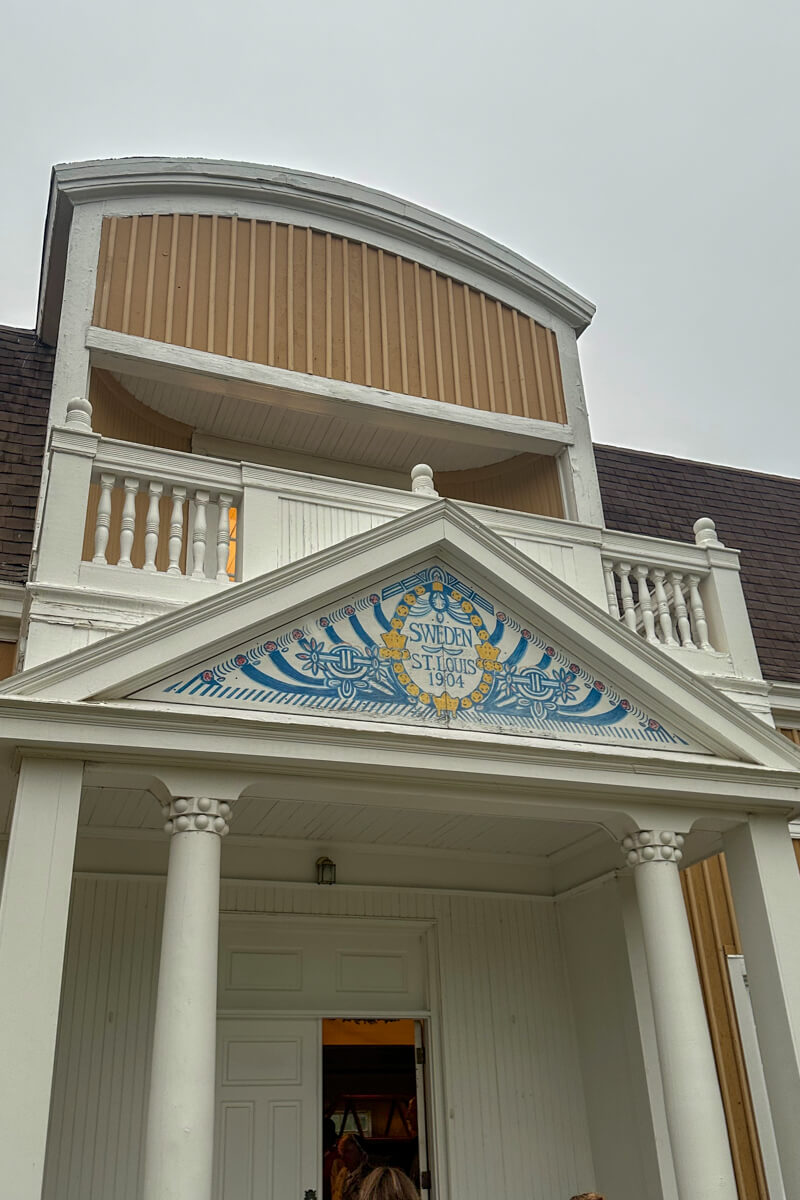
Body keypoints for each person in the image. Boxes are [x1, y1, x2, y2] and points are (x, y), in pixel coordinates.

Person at [331, 1132, 372, 1200]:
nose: (343, 1156)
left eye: (348, 1151)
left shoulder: (369, 1176)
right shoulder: (342, 1173)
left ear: (361, 1153)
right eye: (342, 1151)